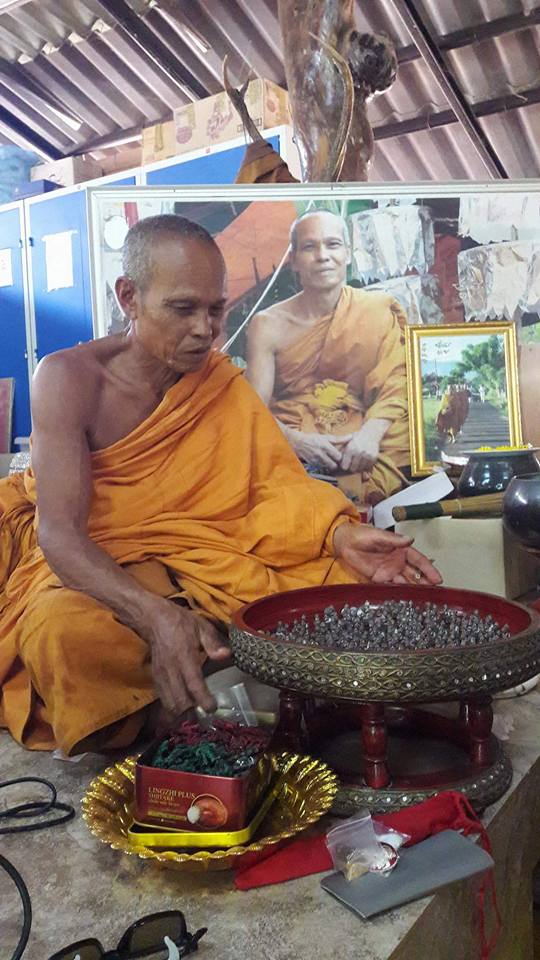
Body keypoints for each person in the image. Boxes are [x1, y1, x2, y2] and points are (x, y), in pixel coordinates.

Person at [0, 215, 440, 756]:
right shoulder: (69, 379)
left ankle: (205, 675)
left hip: (213, 554)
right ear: (129, 297)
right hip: (109, 564)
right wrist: (154, 615)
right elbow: (61, 537)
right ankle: (173, 707)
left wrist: (340, 535)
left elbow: (271, 489)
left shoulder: (218, 383)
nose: (204, 330)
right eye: (183, 309)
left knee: (351, 586)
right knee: (63, 634)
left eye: (215, 309)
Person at [245, 209, 411, 506]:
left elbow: (397, 384)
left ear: (348, 254)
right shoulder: (267, 325)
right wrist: (295, 442)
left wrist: (370, 435)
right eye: (310, 247)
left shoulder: (376, 310)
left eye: (333, 244)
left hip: (367, 438)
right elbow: (253, 410)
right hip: (295, 438)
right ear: (294, 260)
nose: (323, 256)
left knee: (406, 432)